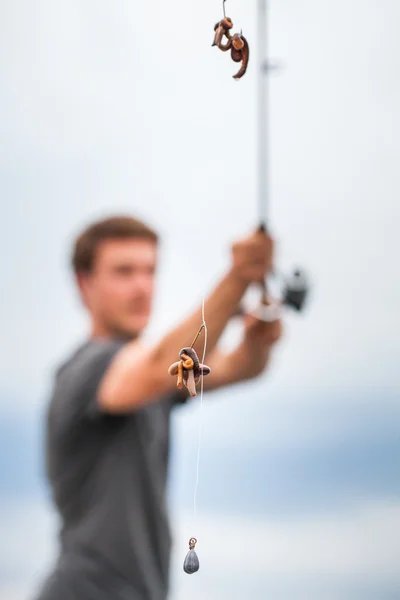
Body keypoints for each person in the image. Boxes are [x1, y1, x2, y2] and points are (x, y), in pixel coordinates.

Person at [34, 215, 282, 600]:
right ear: (85, 284)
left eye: (150, 271)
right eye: (123, 272)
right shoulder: (87, 370)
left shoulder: (150, 383)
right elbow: (155, 368)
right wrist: (237, 278)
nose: (141, 286)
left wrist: (258, 341)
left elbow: (237, 368)